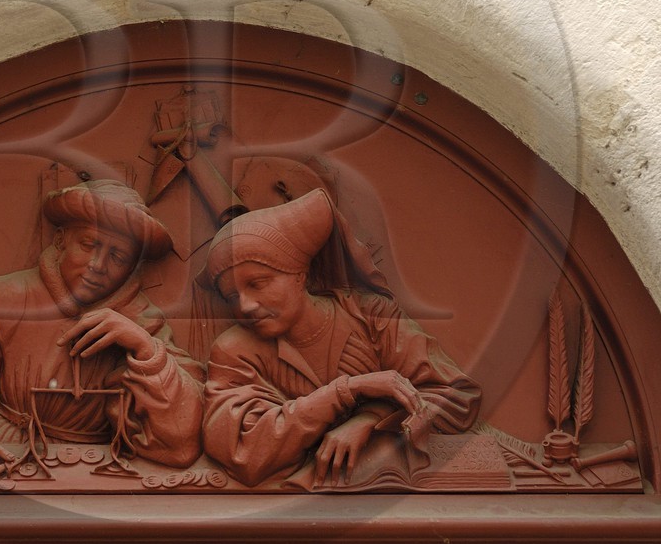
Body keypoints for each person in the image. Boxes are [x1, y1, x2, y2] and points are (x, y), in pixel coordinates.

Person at [0, 180, 204, 477]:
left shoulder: (144, 321)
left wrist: (146, 351)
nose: (97, 265)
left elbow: (181, 443)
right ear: (60, 240)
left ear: (132, 268)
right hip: (3, 450)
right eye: (88, 244)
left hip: (96, 469)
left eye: (118, 257)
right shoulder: (1, 297)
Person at [200, 189, 480, 488]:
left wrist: (370, 419)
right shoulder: (234, 350)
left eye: (258, 283)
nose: (244, 306)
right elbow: (243, 451)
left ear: (299, 274)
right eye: (232, 296)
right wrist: (346, 390)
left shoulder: (370, 316)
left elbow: (455, 394)